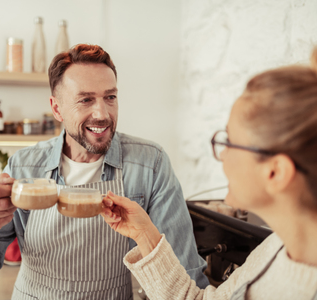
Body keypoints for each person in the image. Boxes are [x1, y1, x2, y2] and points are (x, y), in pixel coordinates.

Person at [0, 44, 209, 299]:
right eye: (85, 99)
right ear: (57, 109)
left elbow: (184, 277)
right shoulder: (24, 167)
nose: (102, 113)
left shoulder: (150, 165)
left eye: (110, 97)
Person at [101, 48, 317, 300]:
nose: (222, 154)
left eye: (232, 143)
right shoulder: (276, 249)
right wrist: (144, 234)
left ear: (275, 172)